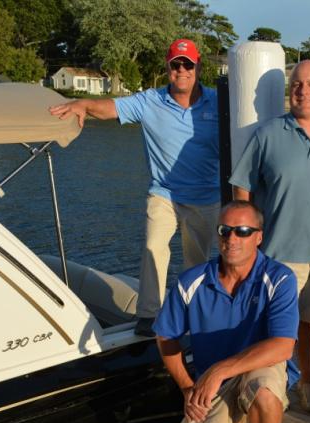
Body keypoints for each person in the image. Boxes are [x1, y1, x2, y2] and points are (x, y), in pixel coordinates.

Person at [50, 39, 219, 337]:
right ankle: (149, 314)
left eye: (188, 65)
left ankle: (194, 314)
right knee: (154, 248)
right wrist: (84, 104)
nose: (182, 70)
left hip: (205, 197)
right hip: (163, 194)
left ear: (198, 67)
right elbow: (110, 108)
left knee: (197, 262)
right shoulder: (150, 100)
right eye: (175, 64)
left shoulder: (218, 102)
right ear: (167, 67)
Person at [153, 200, 298, 423]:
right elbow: (165, 335)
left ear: (259, 236)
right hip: (212, 383)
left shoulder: (280, 278)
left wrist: (219, 369)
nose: (232, 238)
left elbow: (283, 346)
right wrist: (186, 386)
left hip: (259, 367)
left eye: (243, 231)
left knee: (264, 392)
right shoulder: (190, 282)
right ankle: (235, 416)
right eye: (225, 230)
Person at [230, 60, 310, 413]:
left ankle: (308, 382)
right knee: (269, 326)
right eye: (297, 84)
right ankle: (268, 388)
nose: (304, 91)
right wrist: (246, 235)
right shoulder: (268, 134)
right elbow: (243, 186)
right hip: (275, 253)